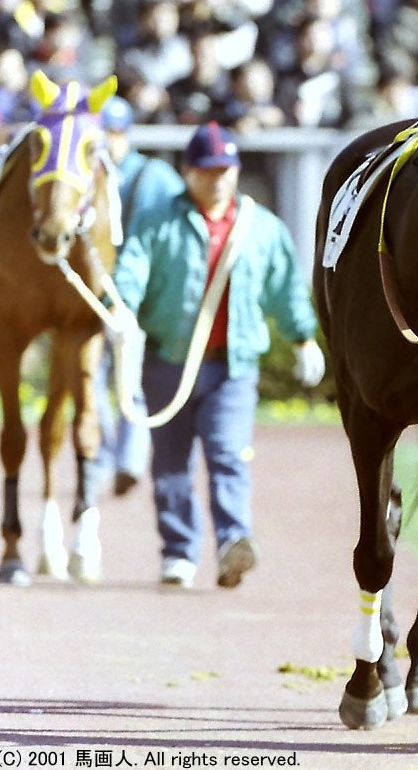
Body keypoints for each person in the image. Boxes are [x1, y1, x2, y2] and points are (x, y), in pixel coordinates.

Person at [112, 121, 326, 589]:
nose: (217, 179)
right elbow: (131, 270)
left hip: (233, 368)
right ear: (188, 172)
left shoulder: (261, 227)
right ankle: (178, 552)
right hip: (168, 361)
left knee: (228, 454)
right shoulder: (157, 220)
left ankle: (234, 542)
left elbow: (285, 288)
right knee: (170, 463)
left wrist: (303, 337)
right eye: (207, 170)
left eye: (226, 170)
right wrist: (121, 312)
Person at [94, 95, 186, 497]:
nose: (108, 141)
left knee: (130, 377)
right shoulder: (82, 176)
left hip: (137, 296)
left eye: (114, 132)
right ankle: (102, 458)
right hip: (93, 292)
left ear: (126, 134)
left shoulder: (154, 176)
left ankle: (129, 460)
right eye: (103, 133)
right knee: (92, 379)